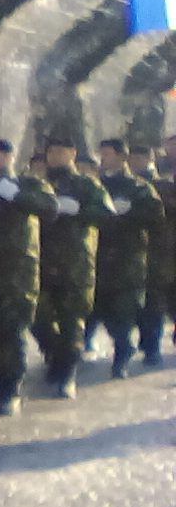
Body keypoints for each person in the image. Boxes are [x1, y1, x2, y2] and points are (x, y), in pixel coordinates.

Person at [0, 138, 57, 416]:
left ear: (8, 158)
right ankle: (0, 366)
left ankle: (9, 390)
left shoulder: (27, 184)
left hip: (16, 275)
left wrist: (16, 195)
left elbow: (50, 208)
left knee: (11, 333)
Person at [34, 138, 113, 399]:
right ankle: (55, 355)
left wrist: (79, 210)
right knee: (38, 319)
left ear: (72, 152)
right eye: (51, 152)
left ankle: (67, 374)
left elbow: (106, 214)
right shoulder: (39, 184)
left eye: (61, 151)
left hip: (75, 264)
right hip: (40, 263)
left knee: (72, 323)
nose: (55, 157)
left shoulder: (86, 185)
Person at [90, 139, 164, 379]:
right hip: (96, 258)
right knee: (100, 310)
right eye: (101, 154)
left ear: (122, 157)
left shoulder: (139, 187)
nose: (103, 159)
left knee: (124, 312)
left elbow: (156, 216)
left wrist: (131, 211)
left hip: (127, 261)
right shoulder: (94, 184)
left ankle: (122, 356)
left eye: (108, 154)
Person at [132, 144, 176, 367]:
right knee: (152, 303)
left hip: (166, 251)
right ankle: (151, 347)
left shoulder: (164, 186)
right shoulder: (140, 186)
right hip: (152, 252)